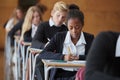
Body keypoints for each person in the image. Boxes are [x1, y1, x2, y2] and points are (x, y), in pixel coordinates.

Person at [38, 9, 94, 80]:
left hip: (81, 75)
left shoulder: (89, 38)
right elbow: (43, 54)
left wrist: (79, 57)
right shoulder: (59, 37)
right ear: (67, 25)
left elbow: (95, 57)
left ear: (82, 25)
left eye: (77, 27)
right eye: (71, 27)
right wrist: (63, 57)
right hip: (61, 75)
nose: (74, 31)